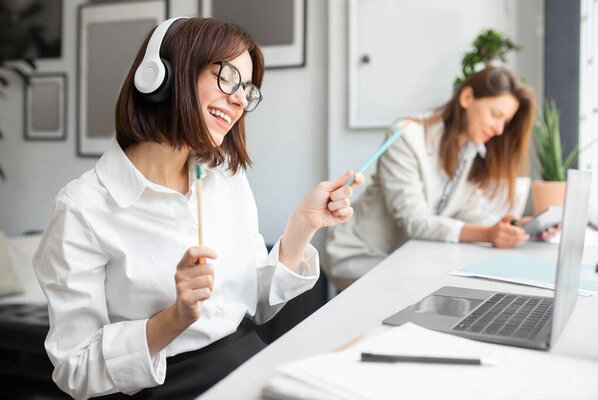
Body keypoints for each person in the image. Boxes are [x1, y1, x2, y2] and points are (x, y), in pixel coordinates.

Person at [33, 17, 363, 399]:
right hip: (170, 388)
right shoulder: (83, 208)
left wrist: (302, 225)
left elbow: (256, 301)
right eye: (227, 78)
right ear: (161, 77)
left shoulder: (224, 178)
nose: (240, 99)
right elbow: (76, 369)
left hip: (247, 364)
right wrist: (174, 318)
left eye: (247, 89)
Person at [325, 66, 553, 291]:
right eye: (496, 115)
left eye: (506, 122)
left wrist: (517, 226)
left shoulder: (474, 152)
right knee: (427, 291)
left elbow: (467, 214)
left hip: (405, 255)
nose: (500, 129)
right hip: (361, 254)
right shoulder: (407, 138)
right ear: (466, 97)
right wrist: (487, 234)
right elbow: (414, 220)